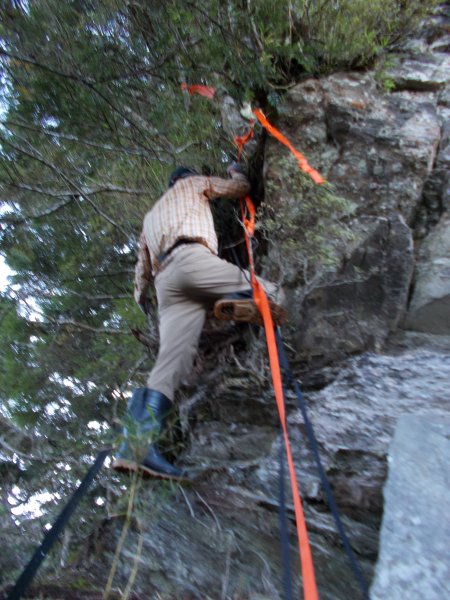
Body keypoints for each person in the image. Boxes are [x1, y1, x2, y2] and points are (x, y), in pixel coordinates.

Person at [112, 164, 285, 480]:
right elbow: (239, 189)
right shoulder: (193, 184)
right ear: (184, 178)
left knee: (170, 365)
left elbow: (141, 273)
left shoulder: (150, 219)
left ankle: (136, 448)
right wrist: (236, 173)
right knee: (272, 293)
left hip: (166, 283)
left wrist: (142, 300)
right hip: (193, 259)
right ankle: (230, 302)